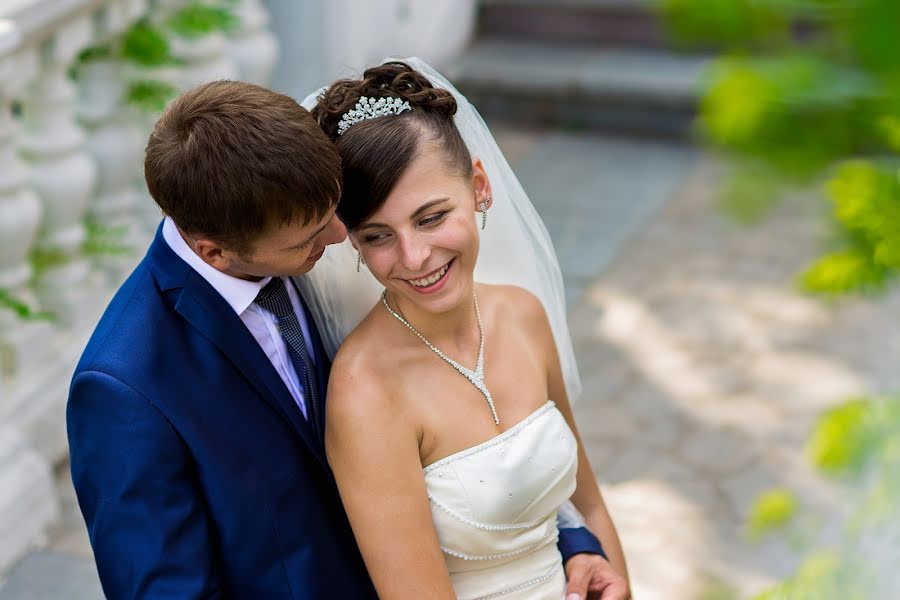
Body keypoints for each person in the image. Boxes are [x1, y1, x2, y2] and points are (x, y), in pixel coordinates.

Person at [67, 78, 609, 598]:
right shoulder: (126, 387)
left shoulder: (323, 255)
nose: (338, 238)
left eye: (337, 217)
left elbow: (492, 451)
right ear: (215, 251)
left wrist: (574, 538)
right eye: (311, 236)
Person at [304, 60, 630, 599]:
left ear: (479, 186)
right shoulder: (367, 390)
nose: (414, 257)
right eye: (378, 236)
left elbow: (587, 503)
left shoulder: (522, 314)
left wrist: (614, 576)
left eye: (431, 217)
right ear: (353, 243)